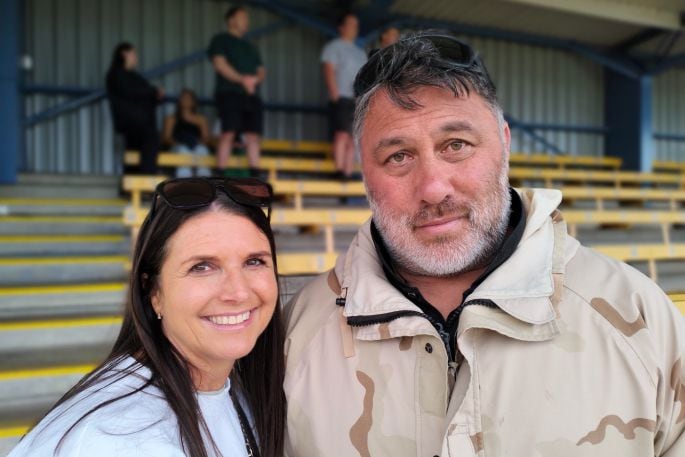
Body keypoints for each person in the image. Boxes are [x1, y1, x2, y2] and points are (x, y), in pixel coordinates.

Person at [284, 32, 685, 456]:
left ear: (505, 145)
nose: (434, 188)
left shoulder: (637, 317)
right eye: (398, 156)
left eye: (456, 145)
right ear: (365, 173)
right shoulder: (298, 336)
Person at [10, 177, 285, 457]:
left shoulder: (235, 390)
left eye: (254, 261)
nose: (237, 292)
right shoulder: (122, 439)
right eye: (202, 267)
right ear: (153, 291)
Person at [208, 5, 265, 178]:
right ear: (231, 20)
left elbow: (261, 70)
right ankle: (219, 174)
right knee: (228, 132)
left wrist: (254, 80)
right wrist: (243, 80)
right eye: (242, 17)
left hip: (251, 95)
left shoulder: (250, 47)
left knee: (253, 135)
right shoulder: (220, 39)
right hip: (229, 93)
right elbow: (219, 64)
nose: (246, 21)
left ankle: (256, 175)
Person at [321, 13, 367, 180]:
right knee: (341, 134)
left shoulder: (360, 53)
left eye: (356, 25)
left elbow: (364, 77)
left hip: (357, 100)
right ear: (341, 27)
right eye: (350, 24)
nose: (354, 28)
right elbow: (328, 69)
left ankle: (347, 172)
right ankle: (339, 170)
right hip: (341, 97)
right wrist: (334, 92)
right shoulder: (333, 47)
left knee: (352, 137)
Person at [106, 42, 163, 174]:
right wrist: (153, 92)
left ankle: (128, 188)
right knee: (149, 142)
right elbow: (132, 92)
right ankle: (147, 180)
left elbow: (147, 94)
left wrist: (157, 95)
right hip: (132, 123)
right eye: (133, 53)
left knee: (134, 152)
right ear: (125, 54)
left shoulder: (136, 77)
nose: (136, 57)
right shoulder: (116, 75)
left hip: (141, 123)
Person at [162, 88, 212, 178]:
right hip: (177, 147)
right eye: (183, 98)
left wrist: (196, 144)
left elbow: (206, 138)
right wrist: (178, 144)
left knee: (202, 150)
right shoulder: (171, 119)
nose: (186, 101)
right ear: (179, 101)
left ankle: (205, 182)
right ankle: (184, 182)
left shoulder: (201, 119)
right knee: (183, 150)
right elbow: (166, 138)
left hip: (195, 146)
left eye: (189, 99)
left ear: (194, 102)